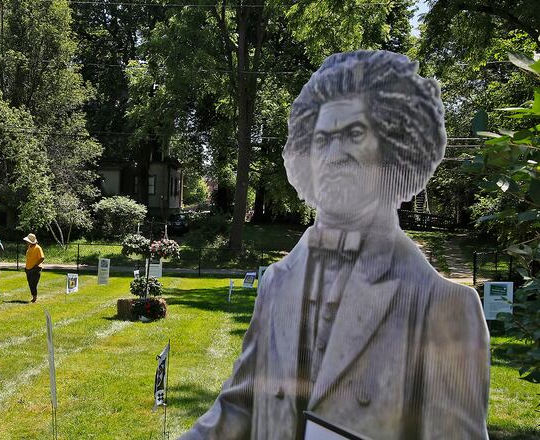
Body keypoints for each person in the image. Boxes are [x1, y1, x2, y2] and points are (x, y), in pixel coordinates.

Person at [182, 51, 489, 439]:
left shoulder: (442, 306)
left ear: (393, 147)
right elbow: (239, 408)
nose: (333, 154)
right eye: (323, 139)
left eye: (354, 135)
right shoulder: (276, 284)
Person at [23, 233, 44, 303]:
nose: (26, 242)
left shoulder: (38, 248)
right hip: (28, 269)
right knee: (30, 284)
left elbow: (42, 258)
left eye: (28, 241)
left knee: (33, 284)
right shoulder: (30, 247)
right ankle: (34, 297)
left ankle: (34, 298)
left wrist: (36, 265)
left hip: (35, 269)